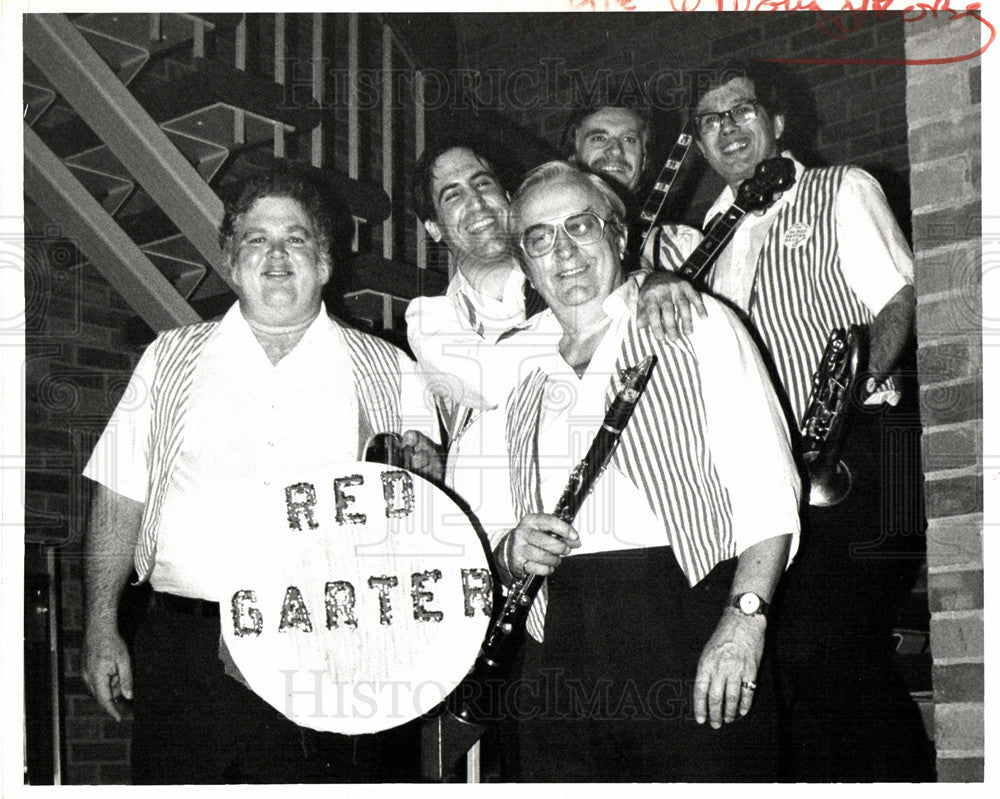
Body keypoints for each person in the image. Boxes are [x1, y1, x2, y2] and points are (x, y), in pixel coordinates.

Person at [80, 164, 439, 783]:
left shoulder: (389, 369)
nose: (276, 255)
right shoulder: (170, 358)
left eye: (296, 239)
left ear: (325, 263)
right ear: (229, 261)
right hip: (186, 650)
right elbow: (120, 498)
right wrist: (99, 625)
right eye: (256, 239)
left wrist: (429, 481)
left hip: (331, 651)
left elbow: (425, 524)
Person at [655, 62, 932, 781]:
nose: (727, 129)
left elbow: (900, 300)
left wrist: (854, 385)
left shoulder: (840, 188)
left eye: (742, 111)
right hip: (774, 475)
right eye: (709, 121)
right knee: (788, 662)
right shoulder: (707, 236)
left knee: (822, 645)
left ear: (778, 123)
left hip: (867, 454)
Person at [479, 161, 800, 781]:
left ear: (619, 237)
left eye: (580, 226)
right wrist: (509, 546)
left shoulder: (695, 323)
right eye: (541, 237)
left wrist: (745, 621)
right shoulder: (509, 362)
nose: (564, 250)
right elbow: (483, 509)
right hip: (558, 636)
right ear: (523, 260)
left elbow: (767, 486)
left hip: (689, 613)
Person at [564, 104, 707, 341]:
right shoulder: (546, 246)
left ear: (643, 162)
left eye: (629, 139)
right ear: (573, 156)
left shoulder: (685, 244)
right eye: (599, 137)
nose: (615, 151)